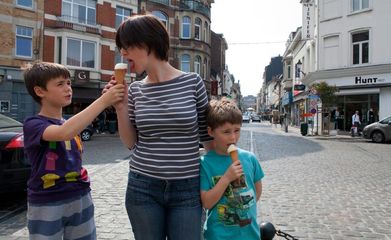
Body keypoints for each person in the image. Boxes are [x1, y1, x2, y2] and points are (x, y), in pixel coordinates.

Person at [104, 14, 213, 240]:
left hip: (187, 188)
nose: (122, 53)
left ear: (147, 43)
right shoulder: (134, 90)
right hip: (143, 186)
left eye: (126, 47)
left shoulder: (193, 82)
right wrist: (120, 107)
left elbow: (208, 138)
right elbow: (130, 143)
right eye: (120, 48)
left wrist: (221, 179)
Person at [22, 62, 124, 239]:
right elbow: (63, 133)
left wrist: (109, 98)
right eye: (60, 84)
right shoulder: (33, 124)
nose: (68, 88)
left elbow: (70, 127)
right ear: (40, 91)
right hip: (47, 201)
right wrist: (103, 101)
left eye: (68, 83)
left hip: (80, 195)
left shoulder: (69, 122)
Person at [200, 98, 265, 240]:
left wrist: (242, 206)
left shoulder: (250, 158)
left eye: (237, 130)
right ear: (211, 132)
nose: (233, 137)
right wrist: (227, 178)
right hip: (217, 235)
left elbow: (256, 192)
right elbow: (207, 202)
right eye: (226, 132)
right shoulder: (205, 163)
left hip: (250, 234)